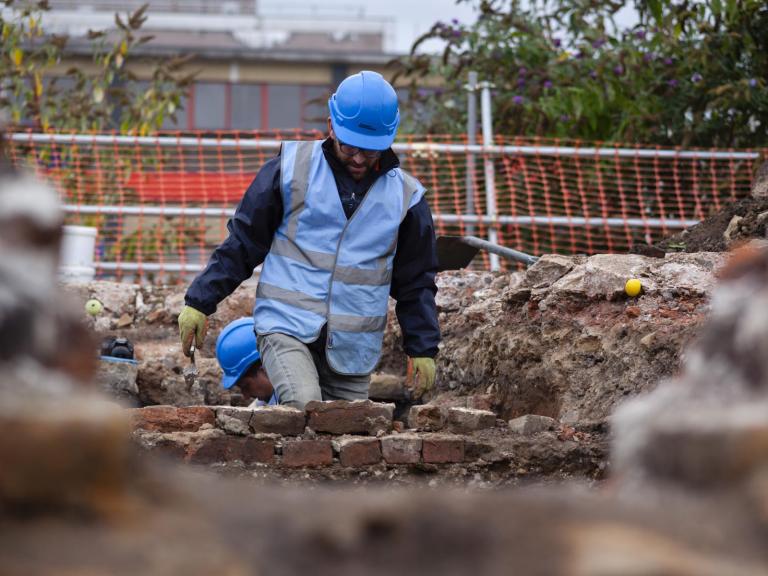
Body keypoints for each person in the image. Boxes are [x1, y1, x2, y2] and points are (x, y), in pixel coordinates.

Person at [178, 70, 440, 409]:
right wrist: (199, 301)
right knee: (304, 407)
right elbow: (243, 242)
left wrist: (422, 347)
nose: (359, 158)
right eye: (350, 146)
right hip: (285, 325)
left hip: (352, 348)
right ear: (331, 126)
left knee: (350, 434)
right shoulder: (290, 170)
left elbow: (416, 282)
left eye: (371, 150)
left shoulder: (407, 198)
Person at [216, 317, 277, 406]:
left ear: (266, 369)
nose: (246, 396)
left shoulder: (297, 401)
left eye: (246, 386)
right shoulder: (264, 402)